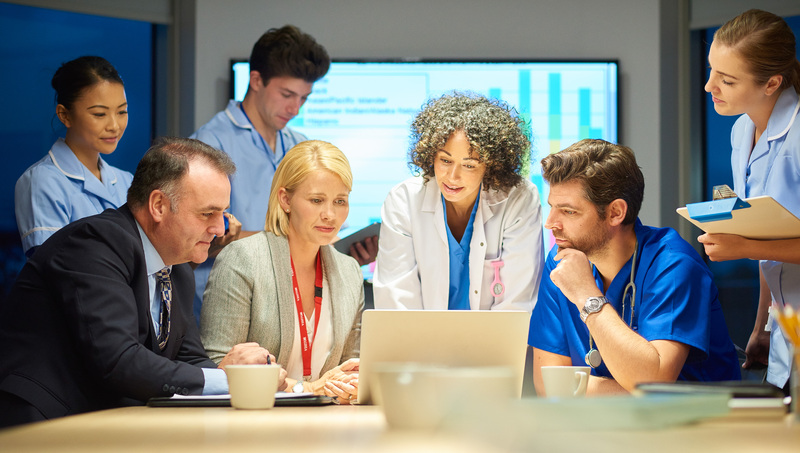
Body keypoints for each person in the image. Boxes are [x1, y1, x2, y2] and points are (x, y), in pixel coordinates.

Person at [0, 137, 277, 428]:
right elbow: (118, 360)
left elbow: (191, 360)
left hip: (105, 424)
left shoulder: (176, 264)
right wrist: (228, 377)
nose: (220, 228)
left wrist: (248, 382)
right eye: (207, 213)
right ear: (158, 205)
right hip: (41, 425)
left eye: (223, 213)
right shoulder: (95, 243)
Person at [529, 139, 741, 395]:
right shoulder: (561, 262)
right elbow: (548, 385)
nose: (550, 223)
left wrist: (587, 295)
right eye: (552, 208)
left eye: (569, 212)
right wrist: (632, 390)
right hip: (602, 429)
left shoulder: (673, 265)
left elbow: (652, 382)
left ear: (616, 212)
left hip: (694, 429)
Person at [189, 25, 341, 323]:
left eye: (303, 98)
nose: (295, 108)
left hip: (284, 308)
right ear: (255, 80)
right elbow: (200, 234)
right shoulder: (210, 144)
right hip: (223, 306)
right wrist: (295, 239)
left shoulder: (299, 145)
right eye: (287, 94)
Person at [201, 140, 362, 404]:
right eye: (317, 200)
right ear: (285, 199)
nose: (330, 214)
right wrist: (308, 389)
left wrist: (351, 384)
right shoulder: (243, 258)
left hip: (330, 427)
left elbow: (351, 367)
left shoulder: (350, 271)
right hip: (256, 426)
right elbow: (218, 367)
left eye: (340, 201)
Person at [700, 9, 800, 393]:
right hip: (785, 326)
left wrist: (742, 246)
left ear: (772, 82)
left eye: (726, 80)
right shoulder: (742, 131)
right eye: (712, 72)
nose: (710, 87)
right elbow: (765, 229)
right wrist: (762, 327)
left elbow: (758, 242)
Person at [374, 92, 543, 311]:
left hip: (494, 341)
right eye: (445, 160)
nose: (452, 176)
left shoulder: (519, 199)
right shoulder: (404, 200)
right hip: (420, 342)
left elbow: (516, 303)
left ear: (491, 166)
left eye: (469, 165)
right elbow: (397, 303)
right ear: (430, 155)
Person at [15, 56, 133, 257]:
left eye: (121, 112)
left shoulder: (127, 181)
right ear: (65, 115)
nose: (114, 125)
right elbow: (56, 270)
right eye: (99, 114)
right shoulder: (42, 181)